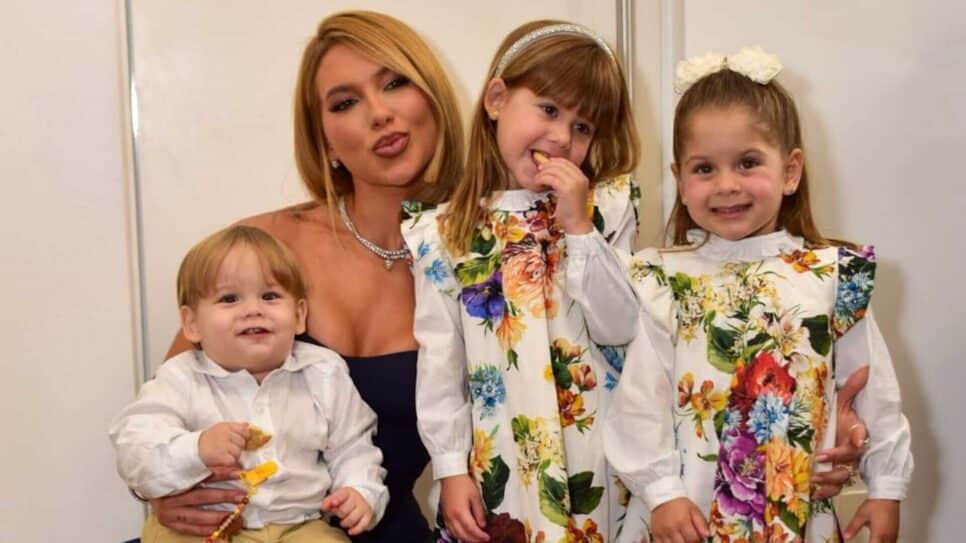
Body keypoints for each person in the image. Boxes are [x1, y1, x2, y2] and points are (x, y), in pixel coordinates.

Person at [151, 11, 465, 543]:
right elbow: (163, 407)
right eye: (345, 103)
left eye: (395, 83)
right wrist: (160, 489)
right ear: (325, 140)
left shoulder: (486, 264)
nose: (380, 114)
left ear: (433, 96)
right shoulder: (262, 249)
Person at [603, 47, 913, 543]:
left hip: (793, 516)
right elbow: (640, 397)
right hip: (688, 515)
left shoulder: (832, 276)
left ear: (790, 171)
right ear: (679, 180)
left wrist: (886, 488)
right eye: (704, 168)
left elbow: (873, 388)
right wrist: (661, 492)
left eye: (747, 163)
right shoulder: (665, 279)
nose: (726, 185)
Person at [403, 20, 647, 542]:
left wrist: (579, 228)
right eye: (549, 110)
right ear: (496, 100)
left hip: (598, 459)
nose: (561, 138)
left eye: (583, 127)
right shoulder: (446, 232)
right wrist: (450, 467)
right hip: (505, 460)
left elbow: (621, 326)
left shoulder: (606, 209)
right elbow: (440, 362)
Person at [111, 225, 388, 542]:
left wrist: (360, 490)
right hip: (204, 525)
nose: (253, 310)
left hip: (297, 525)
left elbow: (353, 447)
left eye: (270, 296)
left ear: (299, 315)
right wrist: (196, 449)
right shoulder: (179, 379)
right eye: (229, 298)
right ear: (192, 323)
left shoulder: (323, 373)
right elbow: (135, 449)